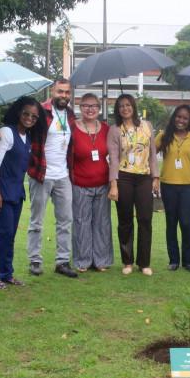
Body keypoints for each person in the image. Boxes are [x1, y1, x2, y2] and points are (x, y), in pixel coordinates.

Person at [0, 96, 46, 289]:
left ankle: (7, 274)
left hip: (15, 193)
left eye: (34, 116)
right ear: (18, 112)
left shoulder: (27, 137)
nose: (29, 118)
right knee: (4, 233)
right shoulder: (7, 132)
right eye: (26, 113)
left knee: (10, 235)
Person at [26, 78, 78, 278]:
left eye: (67, 92)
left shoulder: (71, 114)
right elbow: (26, 130)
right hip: (41, 174)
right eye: (60, 92)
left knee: (66, 220)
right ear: (52, 92)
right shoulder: (40, 112)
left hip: (63, 175)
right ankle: (35, 260)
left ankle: (62, 262)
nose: (63, 96)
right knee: (36, 220)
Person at [107, 94, 159, 276]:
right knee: (125, 220)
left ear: (133, 107)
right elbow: (113, 158)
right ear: (118, 109)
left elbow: (152, 154)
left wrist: (156, 177)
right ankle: (127, 261)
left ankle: (144, 263)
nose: (125, 108)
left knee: (145, 219)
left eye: (128, 105)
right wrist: (113, 184)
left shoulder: (147, 126)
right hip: (124, 177)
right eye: (121, 106)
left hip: (144, 177)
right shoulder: (114, 130)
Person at [155, 104, 190, 272]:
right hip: (168, 185)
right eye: (178, 116)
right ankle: (173, 260)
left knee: (185, 223)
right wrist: (153, 178)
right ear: (174, 117)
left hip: (186, 187)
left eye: (185, 118)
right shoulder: (163, 136)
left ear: (189, 120)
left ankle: (189, 261)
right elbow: (150, 156)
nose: (181, 120)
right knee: (171, 223)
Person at [69, 93, 113, 272]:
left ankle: (101, 260)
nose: (90, 109)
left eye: (94, 105)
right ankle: (82, 260)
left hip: (102, 184)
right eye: (86, 105)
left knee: (102, 223)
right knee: (81, 222)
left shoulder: (106, 129)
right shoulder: (72, 128)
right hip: (80, 184)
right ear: (80, 107)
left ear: (99, 108)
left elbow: (114, 155)